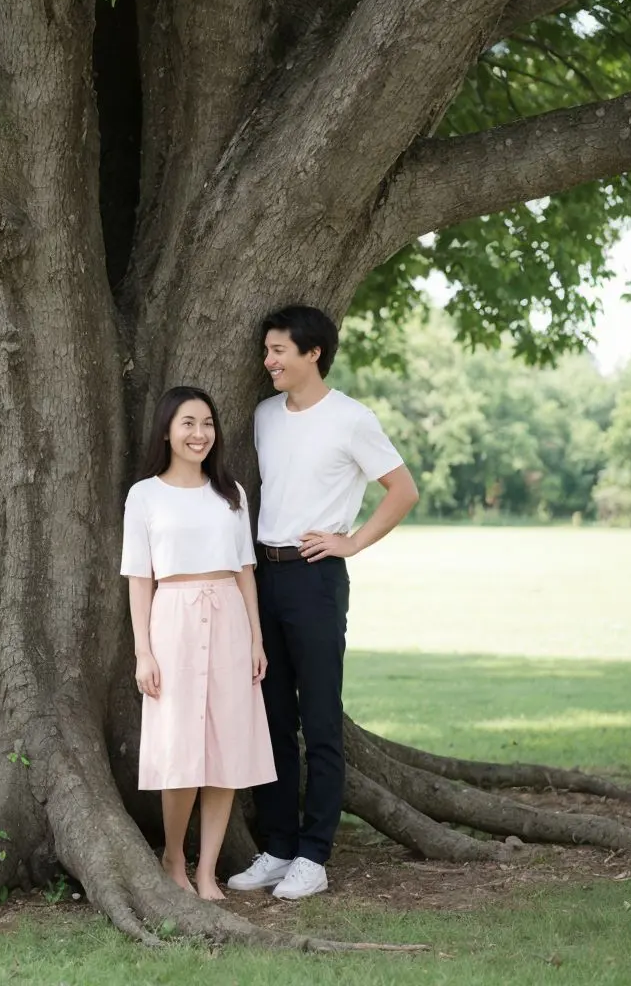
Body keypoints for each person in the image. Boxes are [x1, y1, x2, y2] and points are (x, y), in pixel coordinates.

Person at [227, 305, 419, 901]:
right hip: (265, 575)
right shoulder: (262, 414)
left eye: (279, 350)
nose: (269, 361)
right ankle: (280, 846)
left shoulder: (352, 419)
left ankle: (315, 854)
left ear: (313, 353)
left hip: (316, 577)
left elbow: (403, 489)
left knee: (319, 719)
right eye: (266, 351)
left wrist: (351, 542)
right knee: (273, 717)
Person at [121, 386, 276, 900]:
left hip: (229, 616)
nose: (199, 434)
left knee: (226, 748)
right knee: (180, 749)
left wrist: (255, 637)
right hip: (173, 623)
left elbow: (247, 571)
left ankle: (207, 870)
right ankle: (173, 859)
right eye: (188, 423)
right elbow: (139, 578)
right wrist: (144, 650)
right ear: (167, 430)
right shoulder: (144, 495)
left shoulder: (231, 493)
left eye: (207, 423)